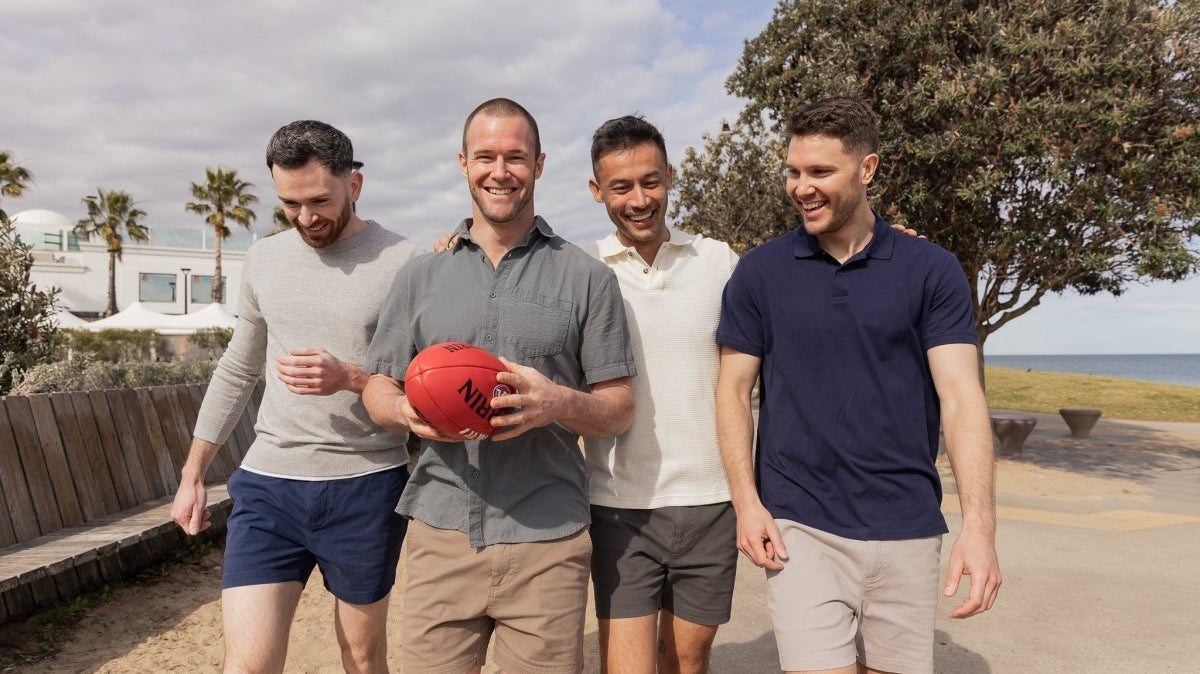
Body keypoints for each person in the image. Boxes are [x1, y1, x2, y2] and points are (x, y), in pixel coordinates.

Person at [715, 96, 1001, 674]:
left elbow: (961, 396)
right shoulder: (760, 272)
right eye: (794, 172)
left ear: (866, 170)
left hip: (907, 525)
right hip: (801, 525)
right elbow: (731, 390)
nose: (802, 187)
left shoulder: (932, 269)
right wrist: (747, 504)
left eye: (821, 172)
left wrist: (980, 528)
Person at [361, 98, 636, 674]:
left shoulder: (588, 278)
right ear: (463, 163)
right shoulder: (420, 275)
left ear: (538, 165)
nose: (500, 170)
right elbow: (376, 386)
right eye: (485, 156)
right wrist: (406, 412)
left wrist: (557, 402)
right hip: (440, 534)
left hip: (548, 539)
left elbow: (617, 410)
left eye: (515, 156)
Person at [170, 120, 420, 674]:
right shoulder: (264, 258)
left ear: (353, 185)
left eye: (319, 201)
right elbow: (238, 366)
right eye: (290, 203)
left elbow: (420, 381)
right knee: (249, 664)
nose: (306, 218)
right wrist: (193, 473)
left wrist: (352, 377)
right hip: (268, 486)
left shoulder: (407, 262)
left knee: (362, 655)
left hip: (367, 485)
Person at [581, 115, 740, 674]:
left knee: (687, 667)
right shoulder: (581, 271)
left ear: (670, 176)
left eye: (651, 181)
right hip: (619, 508)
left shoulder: (720, 261)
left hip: (711, 502)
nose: (639, 199)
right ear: (597, 190)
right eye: (621, 187)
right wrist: (457, 243)